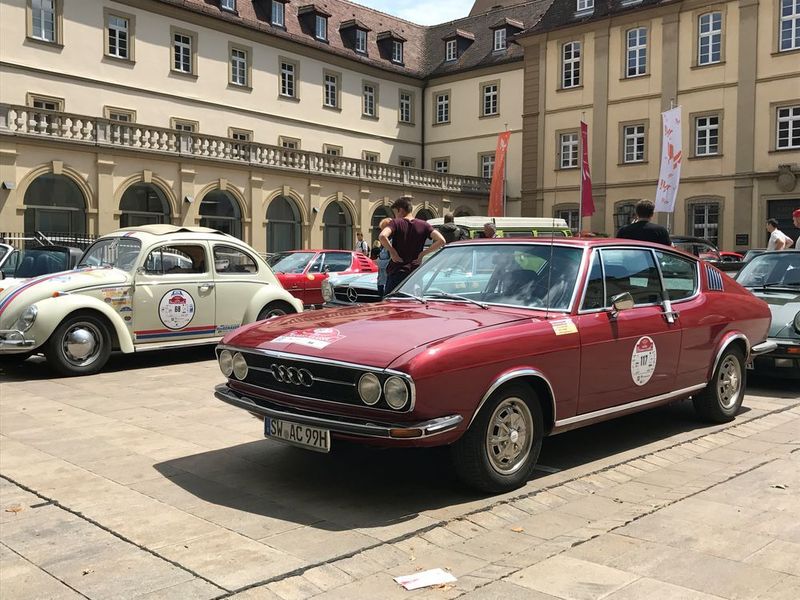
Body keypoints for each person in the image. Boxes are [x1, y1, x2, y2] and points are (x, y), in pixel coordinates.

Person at [379, 196, 445, 293]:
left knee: (392, 305)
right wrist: (423, 254)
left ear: (400, 210)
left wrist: (393, 252)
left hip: (398, 272)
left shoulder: (396, 223)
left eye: (395, 213)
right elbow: (441, 240)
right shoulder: (424, 225)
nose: (395, 216)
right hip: (415, 274)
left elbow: (382, 236)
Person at [376, 218, 391, 297]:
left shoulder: (392, 243)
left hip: (387, 282)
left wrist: (377, 262)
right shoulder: (384, 244)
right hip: (381, 280)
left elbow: (392, 262)